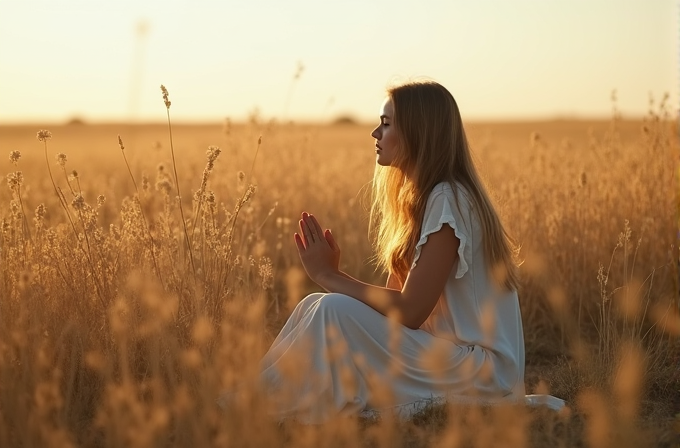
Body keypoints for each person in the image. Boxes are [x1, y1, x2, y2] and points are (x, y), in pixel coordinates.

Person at [259, 80, 526, 423]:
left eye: (386, 124)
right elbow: (397, 303)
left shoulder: (449, 199)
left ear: (418, 133)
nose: (375, 133)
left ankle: (266, 411)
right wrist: (335, 281)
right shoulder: (426, 199)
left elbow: (410, 311)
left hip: (485, 374)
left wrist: (330, 276)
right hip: (445, 355)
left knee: (332, 308)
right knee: (313, 304)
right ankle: (260, 404)